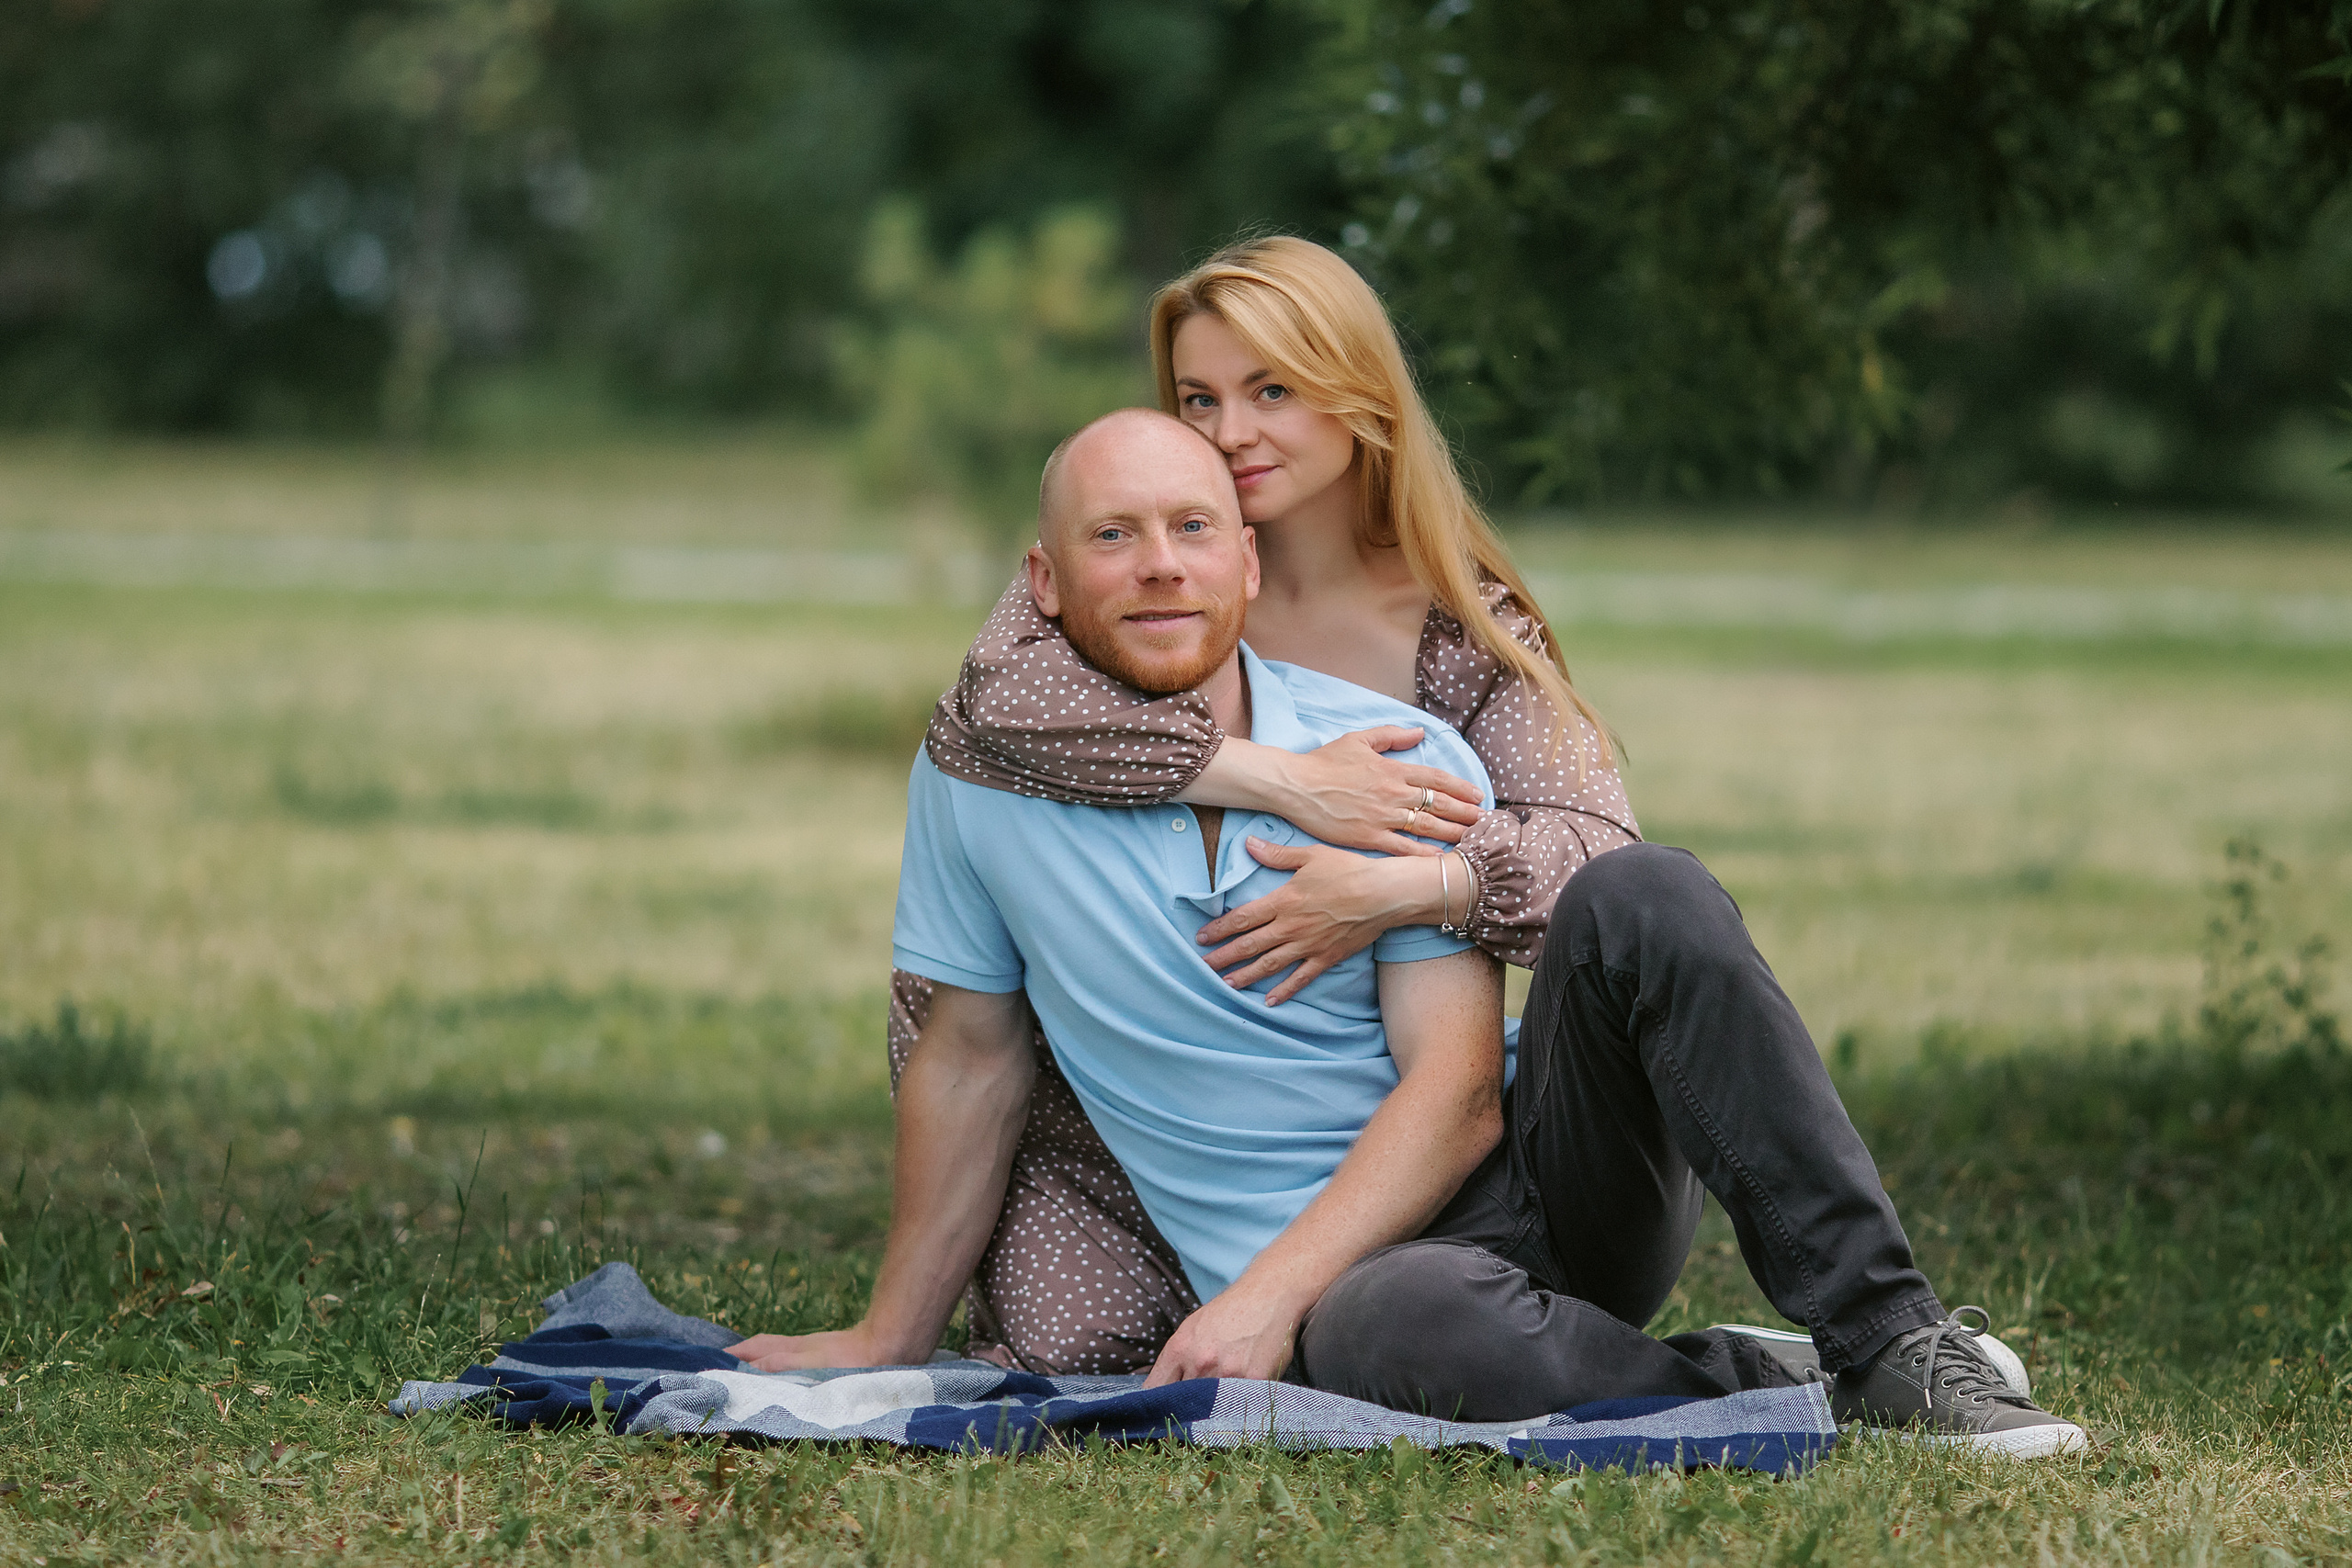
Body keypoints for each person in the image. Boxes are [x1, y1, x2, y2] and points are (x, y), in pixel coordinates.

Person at [731, 408, 2087, 1457]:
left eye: (1195, 529)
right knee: (1398, 1315)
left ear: (1248, 557)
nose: (1160, 567)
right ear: (1041, 578)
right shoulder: (978, 778)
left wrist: (1259, 1306)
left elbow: (1454, 1096)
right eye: (1114, 535)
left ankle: (1892, 1336)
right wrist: (890, 1335)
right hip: (1367, 1289)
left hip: (1543, 1190)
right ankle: (1768, 1380)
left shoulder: (1386, 751)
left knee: (1644, 891)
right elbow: (970, 1056)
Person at [895, 236, 1636, 1375]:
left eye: (1271, 390)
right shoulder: (1134, 572)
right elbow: (988, 712)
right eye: (1198, 397)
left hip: (1366, 1075)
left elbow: (1603, 868)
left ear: (1362, 398)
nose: (1227, 433)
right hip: (1107, 1092)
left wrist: (1409, 885)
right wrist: (1284, 778)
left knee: (1380, 1321)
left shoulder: (1456, 630)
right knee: (1072, 1351)